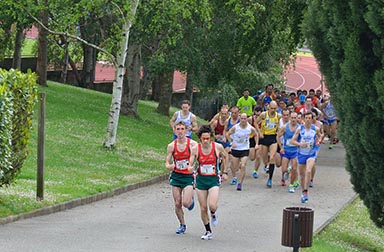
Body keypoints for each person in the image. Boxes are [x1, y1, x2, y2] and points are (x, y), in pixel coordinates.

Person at [188, 125, 229, 240]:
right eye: (203, 139)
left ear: (211, 137)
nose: (206, 141)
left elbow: (226, 157)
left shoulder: (217, 147)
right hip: (201, 180)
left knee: (212, 205)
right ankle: (208, 231)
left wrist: (225, 172)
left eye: (208, 138)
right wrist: (190, 167)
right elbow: (191, 162)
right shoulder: (196, 149)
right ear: (200, 138)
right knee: (202, 208)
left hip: (213, 180)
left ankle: (213, 213)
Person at [165, 121, 198, 234]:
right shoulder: (171, 146)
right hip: (176, 176)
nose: (180, 131)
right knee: (177, 203)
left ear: (186, 130)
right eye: (178, 129)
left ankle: (190, 200)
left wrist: (193, 167)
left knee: (186, 203)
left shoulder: (192, 145)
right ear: (174, 130)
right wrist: (170, 166)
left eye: (182, 129)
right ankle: (182, 224)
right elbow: (167, 163)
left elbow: (198, 158)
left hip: (188, 177)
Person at [290, 112, 321, 203]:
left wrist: (318, 141)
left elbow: (321, 136)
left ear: (312, 119)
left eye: (309, 118)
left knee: (308, 171)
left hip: (311, 154)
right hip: (301, 154)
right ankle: (303, 192)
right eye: (306, 118)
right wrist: (300, 144)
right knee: (302, 176)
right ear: (304, 119)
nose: (308, 120)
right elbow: (292, 141)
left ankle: (306, 192)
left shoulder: (315, 129)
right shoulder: (300, 129)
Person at [226, 113, 258, 191]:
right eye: (242, 119)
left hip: (245, 149)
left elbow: (256, 134)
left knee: (243, 165)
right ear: (240, 119)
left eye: (245, 119)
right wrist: (231, 143)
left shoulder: (250, 128)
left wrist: (256, 144)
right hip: (236, 149)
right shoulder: (235, 127)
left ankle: (240, 183)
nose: (243, 120)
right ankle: (235, 176)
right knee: (235, 167)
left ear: (247, 119)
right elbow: (228, 134)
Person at [255, 100, 281, 188]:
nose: (273, 110)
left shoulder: (278, 116)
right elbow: (255, 122)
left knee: (272, 157)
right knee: (265, 160)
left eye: (275, 108)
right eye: (272, 108)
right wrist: (259, 132)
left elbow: (283, 124)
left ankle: (270, 179)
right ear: (268, 107)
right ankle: (267, 164)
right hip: (265, 137)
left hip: (273, 137)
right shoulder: (263, 115)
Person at [277, 112, 300, 193]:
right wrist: (281, 147)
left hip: (295, 151)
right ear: (290, 118)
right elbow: (278, 137)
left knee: (294, 168)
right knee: (284, 170)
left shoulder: (299, 128)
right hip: (286, 150)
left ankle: (291, 185)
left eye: (295, 118)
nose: (293, 120)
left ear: (297, 118)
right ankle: (288, 171)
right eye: (292, 118)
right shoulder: (285, 127)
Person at [224, 106, 241, 185]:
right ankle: (234, 177)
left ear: (238, 113)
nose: (234, 114)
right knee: (231, 159)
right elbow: (225, 130)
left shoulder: (241, 120)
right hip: (230, 142)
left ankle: (239, 167)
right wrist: (225, 137)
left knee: (238, 164)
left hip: (240, 143)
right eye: (232, 113)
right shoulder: (228, 121)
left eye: (235, 113)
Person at [249, 106, 263, 178]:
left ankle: (255, 171)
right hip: (252, 138)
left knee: (258, 156)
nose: (257, 116)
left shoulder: (263, 120)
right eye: (256, 114)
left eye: (259, 115)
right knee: (252, 158)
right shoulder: (250, 119)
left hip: (260, 139)